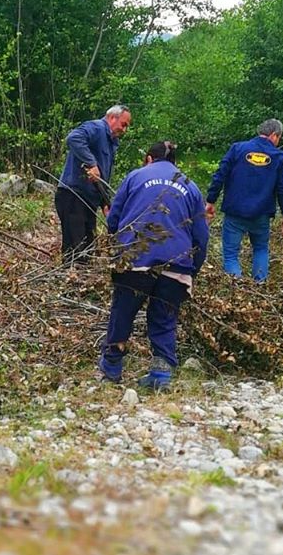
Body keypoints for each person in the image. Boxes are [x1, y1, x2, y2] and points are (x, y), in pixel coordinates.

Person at [98, 140, 209, 388]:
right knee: (164, 317)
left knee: (123, 311)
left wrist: (116, 244)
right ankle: (161, 374)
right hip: (176, 261)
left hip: (135, 257)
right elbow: (201, 235)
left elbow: (114, 220)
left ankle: (112, 368)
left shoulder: (135, 177)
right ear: (174, 162)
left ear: (149, 159)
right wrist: (192, 269)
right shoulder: (190, 186)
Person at [205, 118, 283, 282]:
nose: (278, 141)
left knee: (231, 255)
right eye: (279, 137)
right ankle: (259, 285)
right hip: (261, 214)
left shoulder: (237, 149)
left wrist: (210, 201)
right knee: (260, 249)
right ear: (274, 135)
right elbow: (282, 188)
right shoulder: (279, 157)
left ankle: (237, 289)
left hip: (235, 212)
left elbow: (220, 175)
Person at [55, 105, 131, 261]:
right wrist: (91, 163)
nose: (124, 130)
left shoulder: (111, 142)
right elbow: (73, 138)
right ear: (112, 118)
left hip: (89, 200)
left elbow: (101, 176)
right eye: (123, 124)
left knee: (88, 248)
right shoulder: (96, 128)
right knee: (75, 250)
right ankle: (71, 274)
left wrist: (105, 203)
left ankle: (80, 273)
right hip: (74, 196)